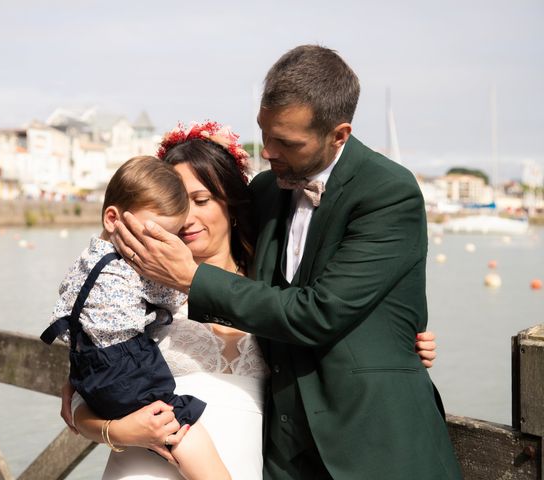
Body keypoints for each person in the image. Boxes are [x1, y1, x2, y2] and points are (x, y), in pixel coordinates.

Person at [112, 45, 462, 479]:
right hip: (281, 455)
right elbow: (228, 255)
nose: (269, 150)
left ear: (339, 134)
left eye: (286, 142)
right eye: (265, 132)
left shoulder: (389, 192)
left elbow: (321, 311)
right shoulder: (263, 191)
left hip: (374, 445)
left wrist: (191, 279)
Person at [63, 122, 440, 479]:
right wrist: (123, 431)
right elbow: (80, 394)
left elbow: (326, 318)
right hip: (145, 468)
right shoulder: (130, 291)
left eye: (200, 199)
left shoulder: (272, 289)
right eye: (174, 203)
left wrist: (397, 343)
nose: (187, 217)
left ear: (229, 202)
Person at [44, 155, 230, 480]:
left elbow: (67, 300)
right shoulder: (136, 267)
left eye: (202, 199)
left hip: (90, 363)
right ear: (114, 218)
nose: (163, 242)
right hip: (126, 369)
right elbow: (171, 296)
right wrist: (118, 432)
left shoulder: (84, 261)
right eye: (155, 233)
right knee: (180, 424)